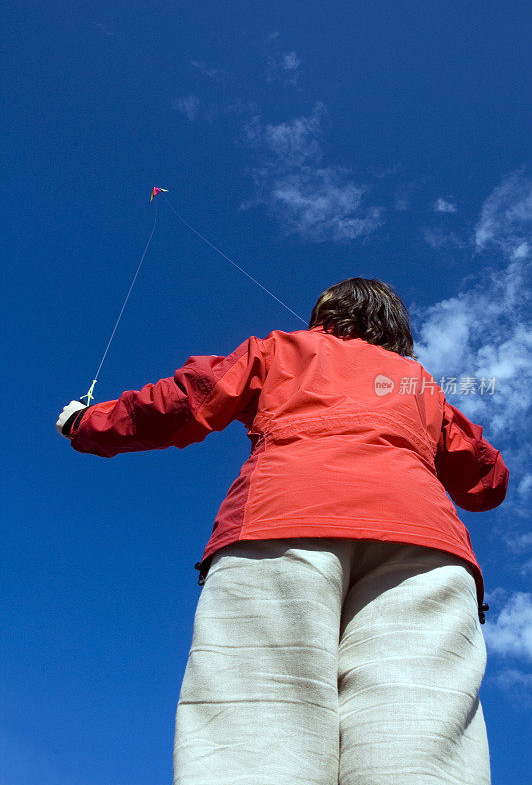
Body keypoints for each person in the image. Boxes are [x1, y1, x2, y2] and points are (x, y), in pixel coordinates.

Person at [56, 278, 509, 785]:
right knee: (419, 737)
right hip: (423, 544)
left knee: (258, 731)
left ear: (327, 315)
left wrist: (86, 423)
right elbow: (487, 483)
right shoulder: (416, 384)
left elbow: (185, 401)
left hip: (279, 524)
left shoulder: (278, 349)